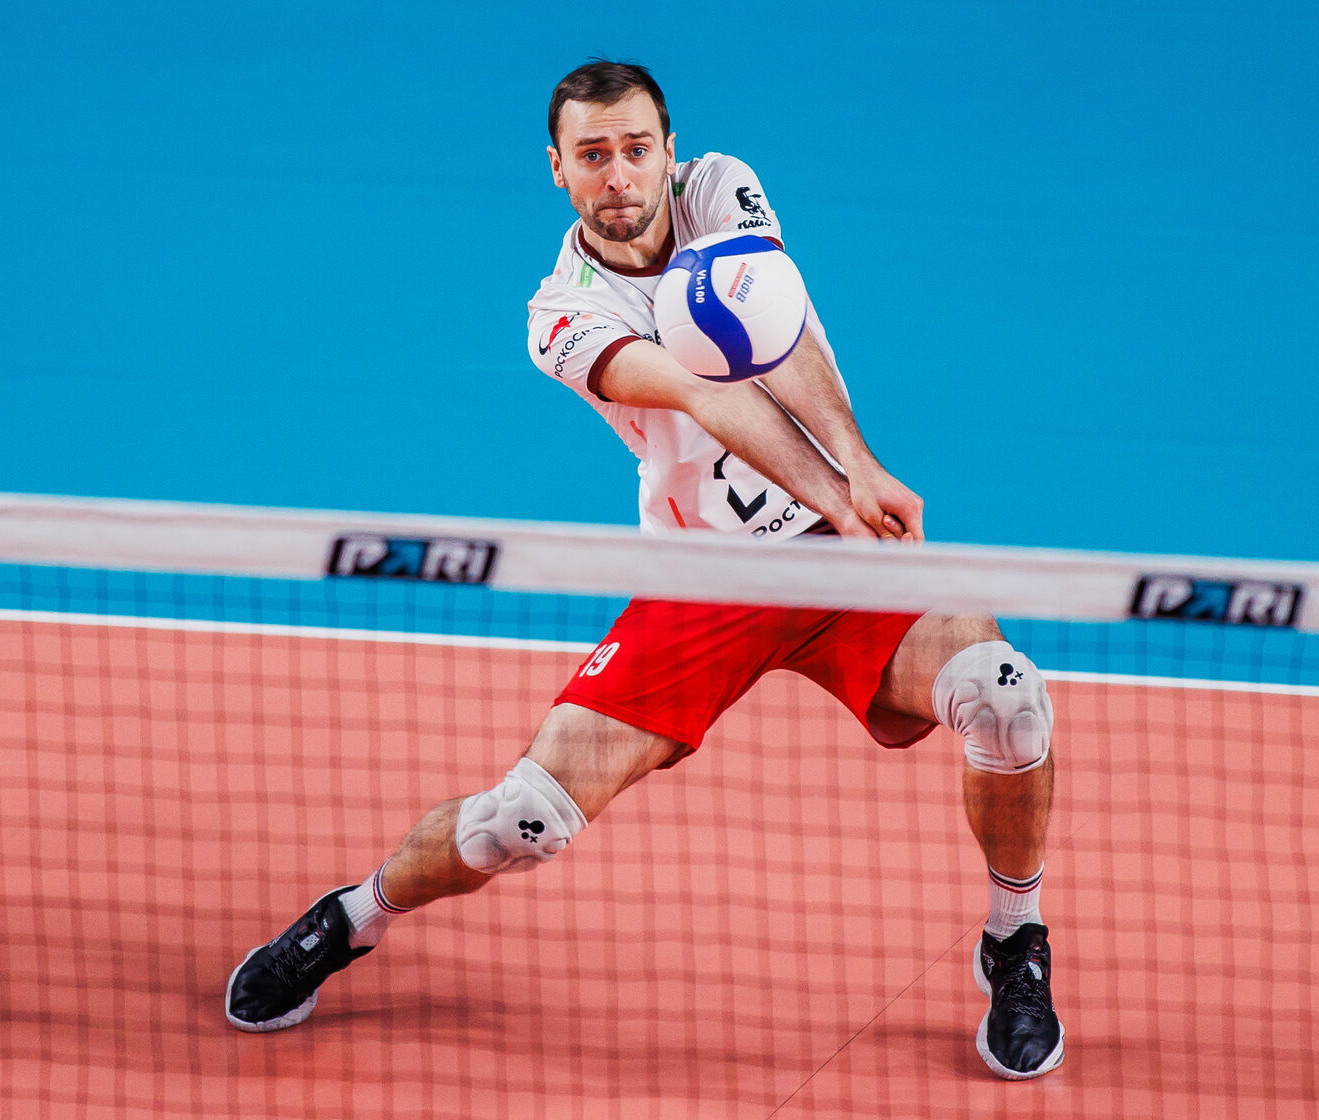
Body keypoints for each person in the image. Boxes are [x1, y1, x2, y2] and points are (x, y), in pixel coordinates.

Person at [226, 60, 1064, 1081]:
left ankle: (1015, 939)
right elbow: (710, 393)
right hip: (703, 578)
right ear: (557, 169)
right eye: (592, 155)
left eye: (635, 149)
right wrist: (844, 494)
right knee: (517, 824)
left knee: (1007, 697)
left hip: (839, 559)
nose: (618, 174)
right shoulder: (561, 314)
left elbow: (781, 336)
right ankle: (352, 916)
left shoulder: (719, 190)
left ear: (669, 150)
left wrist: (857, 471)